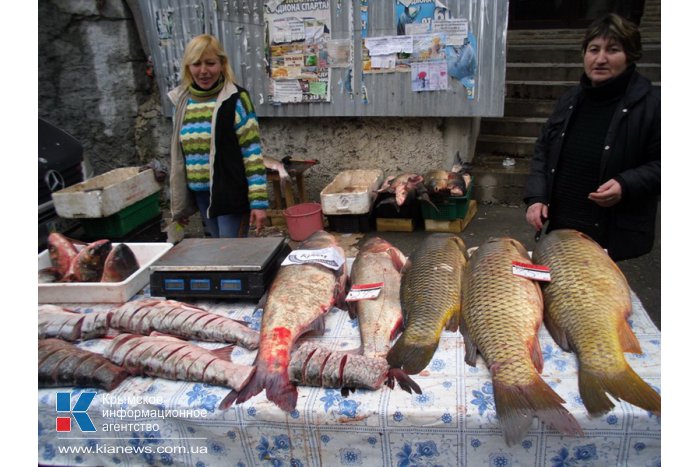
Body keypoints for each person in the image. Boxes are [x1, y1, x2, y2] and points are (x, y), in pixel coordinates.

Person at [523, 13, 660, 261]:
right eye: (593, 49)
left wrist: (625, 184)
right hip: (563, 231)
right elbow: (543, 151)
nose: (600, 59)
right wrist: (537, 197)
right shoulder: (570, 100)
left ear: (630, 56)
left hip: (614, 237)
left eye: (613, 50)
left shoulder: (653, 105)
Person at [168, 34, 268, 238]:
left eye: (210, 63)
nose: (203, 71)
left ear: (222, 64)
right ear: (188, 67)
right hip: (202, 196)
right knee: (216, 251)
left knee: (230, 253)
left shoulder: (236, 99)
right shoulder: (182, 102)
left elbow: (252, 153)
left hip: (231, 195)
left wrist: (258, 202)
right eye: (196, 64)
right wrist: (179, 205)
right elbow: (178, 158)